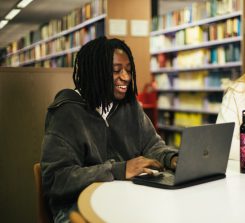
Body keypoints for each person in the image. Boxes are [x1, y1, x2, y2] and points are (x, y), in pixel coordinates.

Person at [40, 36, 178, 223]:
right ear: (95, 73)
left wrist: (172, 158)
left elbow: (152, 145)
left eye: (129, 70)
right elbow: (56, 179)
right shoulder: (66, 112)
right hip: (76, 207)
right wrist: (119, 170)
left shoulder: (130, 106)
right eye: (116, 71)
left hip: (126, 199)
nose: (126, 77)